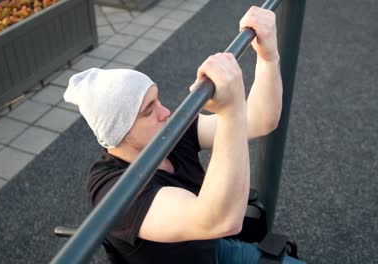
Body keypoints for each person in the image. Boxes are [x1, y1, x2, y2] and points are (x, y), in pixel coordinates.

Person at [64, 6, 282, 264]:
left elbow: (259, 121)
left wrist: (268, 56)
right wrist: (230, 109)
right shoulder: (111, 189)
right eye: (148, 111)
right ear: (118, 131)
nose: (166, 112)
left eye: (158, 100)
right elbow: (217, 220)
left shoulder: (167, 133)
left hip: (212, 251)